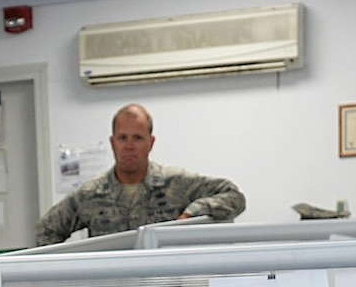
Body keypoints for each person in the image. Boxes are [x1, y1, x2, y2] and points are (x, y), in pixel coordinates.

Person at [32, 103, 245, 245]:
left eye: (137, 138)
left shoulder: (175, 183)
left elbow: (234, 196)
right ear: (112, 142)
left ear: (150, 142)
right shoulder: (91, 195)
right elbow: (46, 230)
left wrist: (192, 214)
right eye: (122, 138)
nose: (129, 146)